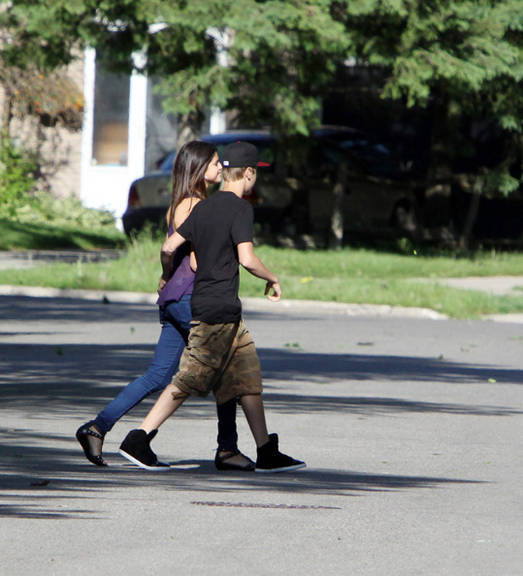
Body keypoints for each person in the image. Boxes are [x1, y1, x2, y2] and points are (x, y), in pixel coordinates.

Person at [119, 141, 305, 473]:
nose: (254, 180)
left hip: (220, 309)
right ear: (248, 173)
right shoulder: (240, 209)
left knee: (247, 379)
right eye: (255, 175)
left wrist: (166, 274)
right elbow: (247, 259)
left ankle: (265, 450)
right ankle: (140, 438)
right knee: (189, 378)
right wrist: (272, 277)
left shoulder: (203, 207)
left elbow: (168, 246)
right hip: (216, 312)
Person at [76, 141, 254, 472]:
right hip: (191, 299)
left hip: (173, 299)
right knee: (227, 369)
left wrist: (166, 274)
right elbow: (198, 261)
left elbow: (169, 249)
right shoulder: (198, 205)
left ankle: (97, 427)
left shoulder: (179, 203)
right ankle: (227, 449)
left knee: (158, 374)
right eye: (215, 163)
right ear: (199, 168)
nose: (220, 168)